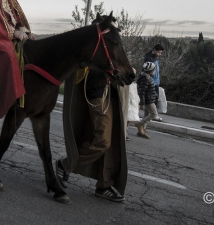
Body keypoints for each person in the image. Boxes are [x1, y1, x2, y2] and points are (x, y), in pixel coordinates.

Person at [56, 63, 128, 202]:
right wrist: (110, 71)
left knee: (112, 142)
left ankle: (104, 184)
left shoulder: (112, 43)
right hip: (98, 93)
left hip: (112, 93)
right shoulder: (96, 43)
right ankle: (66, 164)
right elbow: (87, 66)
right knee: (103, 141)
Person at [141, 44, 164, 121]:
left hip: (156, 81)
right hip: (151, 81)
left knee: (155, 99)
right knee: (151, 99)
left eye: (161, 53)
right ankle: (152, 116)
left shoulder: (155, 57)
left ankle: (143, 124)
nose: (160, 54)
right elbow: (146, 69)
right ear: (154, 50)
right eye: (159, 52)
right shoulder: (148, 58)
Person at [137, 62, 158, 138]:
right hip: (148, 100)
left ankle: (142, 131)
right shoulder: (146, 78)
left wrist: (156, 96)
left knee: (146, 114)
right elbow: (142, 91)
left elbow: (150, 90)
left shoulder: (146, 77)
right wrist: (142, 103)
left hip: (149, 99)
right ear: (151, 70)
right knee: (154, 114)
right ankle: (140, 123)